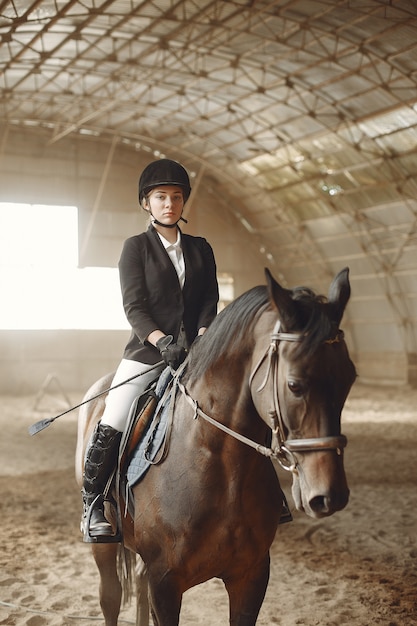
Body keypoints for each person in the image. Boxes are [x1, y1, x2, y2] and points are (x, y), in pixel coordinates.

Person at [81, 158, 219, 542]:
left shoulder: (201, 248)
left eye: (176, 197)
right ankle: (93, 504)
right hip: (147, 353)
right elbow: (134, 307)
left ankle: (269, 495)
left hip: (197, 352)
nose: (169, 204)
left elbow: (210, 298)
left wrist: (204, 335)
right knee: (117, 414)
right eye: (161, 197)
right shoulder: (135, 248)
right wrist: (162, 341)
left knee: (237, 404)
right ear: (147, 203)